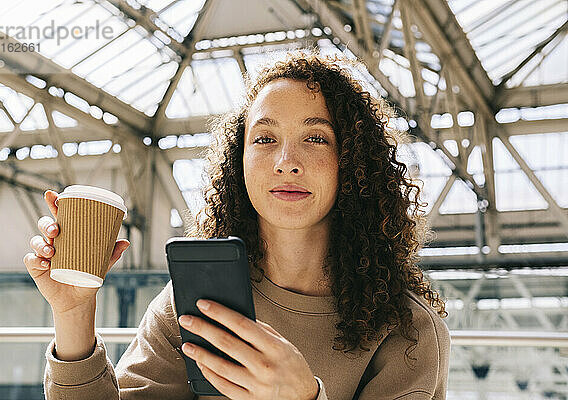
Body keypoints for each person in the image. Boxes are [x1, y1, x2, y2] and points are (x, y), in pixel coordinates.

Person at [23, 50, 450, 400]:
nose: (287, 163)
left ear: (353, 161)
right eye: (264, 139)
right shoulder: (191, 302)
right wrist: (74, 314)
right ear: (238, 163)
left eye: (316, 138)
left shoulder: (409, 330)